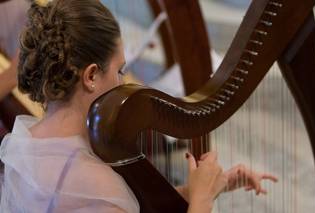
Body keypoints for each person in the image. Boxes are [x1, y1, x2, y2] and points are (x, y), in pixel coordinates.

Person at [0, 0, 277, 212]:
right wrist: (202, 200)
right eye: (120, 70)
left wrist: (213, 185)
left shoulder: (26, 143)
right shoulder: (98, 183)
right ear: (91, 76)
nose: (124, 82)